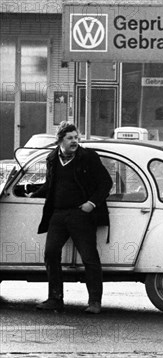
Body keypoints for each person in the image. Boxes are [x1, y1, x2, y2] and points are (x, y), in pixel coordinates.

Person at [30, 121, 113, 314]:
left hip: (81, 214)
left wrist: (90, 204)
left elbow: (105, 183)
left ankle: (94, 302)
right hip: (58, 214)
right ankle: (55, 299)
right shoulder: (52, 158)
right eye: (70, 138)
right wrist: (31, 192)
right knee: (50, 253)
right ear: (60, 140)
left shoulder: (88, 157)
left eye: (76, 137)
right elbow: (50, 186)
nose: (75, 141)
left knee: (89, 257)